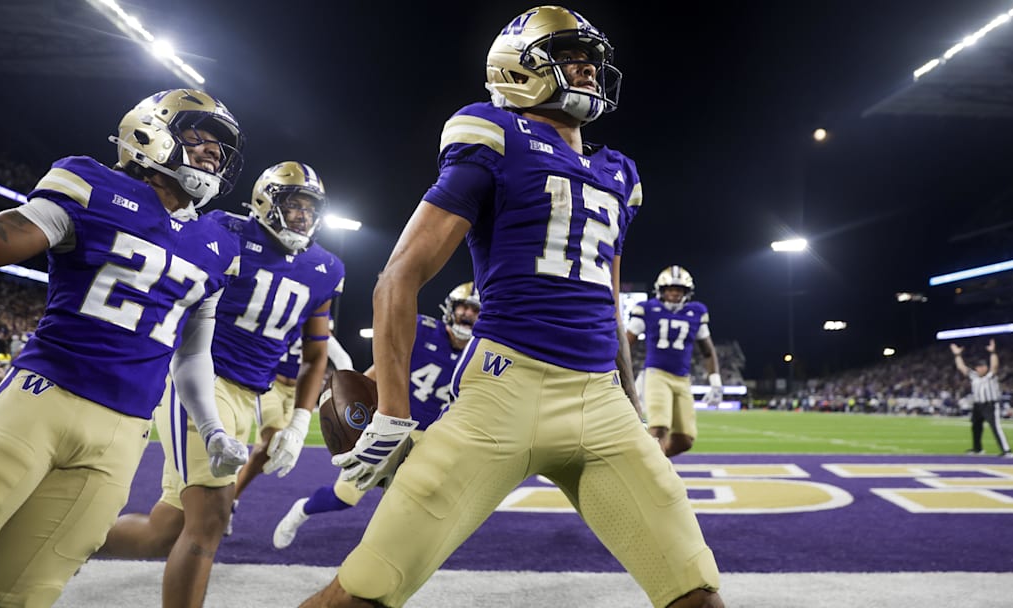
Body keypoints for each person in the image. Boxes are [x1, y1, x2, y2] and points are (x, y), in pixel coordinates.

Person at [300, 6, 723, 607]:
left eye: (593, 61)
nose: (590, 71)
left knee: (696, 593)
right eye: (573, 57)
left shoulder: (618, 173)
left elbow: (608, 301)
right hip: (503, 394)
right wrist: (394, 413)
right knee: (365, 593)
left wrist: (630, 403)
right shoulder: (492, 133)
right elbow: (398, 277)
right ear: (518, 68)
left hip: (602, 403)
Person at [0, 88, 249, 608]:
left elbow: (192, 353)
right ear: (150, 131)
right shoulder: (90, 183)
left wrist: (212, 427)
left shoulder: (219, 244)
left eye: (221, 146)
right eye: (202, 135)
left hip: (122, 435)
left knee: (23, 592)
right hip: (41, 399)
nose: (214, 151)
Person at [97, 161, 346, 607]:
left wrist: (297, 422)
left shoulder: (326, 268)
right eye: (295, 206)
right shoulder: (224, 232)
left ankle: (75, 538)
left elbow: (315, 354)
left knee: (165, 530)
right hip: (199, 378)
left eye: (311, 209)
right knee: (212, 515)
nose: (304, 217)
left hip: (250, 395)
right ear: (267, 201)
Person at [272, 282, 480, 549]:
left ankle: (386, 550)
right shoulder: (421, 330)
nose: (467, 314)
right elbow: (380, 369)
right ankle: (301, 511)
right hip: (391, 422)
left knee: (415, 501)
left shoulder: (481, 351)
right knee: (344, 496)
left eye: (474, 310)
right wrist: (355, 402)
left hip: (433, 435)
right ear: (450, 308)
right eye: (463, 306)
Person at [227, 329, 355, 536]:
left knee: (274, 450)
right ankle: (230, 501)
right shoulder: (286, 315)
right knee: (270, 442)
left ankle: (231, 495)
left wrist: (348, 388)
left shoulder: (314, 321)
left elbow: (341, 358)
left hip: (300, 390)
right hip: (271, 385)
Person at [626, 265, 722, 457]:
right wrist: (622, 373)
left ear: (687, 292)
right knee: (659, 429)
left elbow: (708, 350)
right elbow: (627, 343)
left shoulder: (696, 312)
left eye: (679, 290)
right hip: (656, 374)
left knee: (684, 440)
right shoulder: (648, 309)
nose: (674, 294)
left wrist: (716, 383)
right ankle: (654, 476)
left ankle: (645, 462)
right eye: (670, 289)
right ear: (661, 290)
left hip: (682, 378)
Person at [951, 338, 1013, 457]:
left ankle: (1007, 450)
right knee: (975, 427)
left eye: (983, 366)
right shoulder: (973, 376)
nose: (981, 368)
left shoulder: (990, 376)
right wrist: (957, 355)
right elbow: (961, 367)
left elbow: (995, 366)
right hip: (978, 405)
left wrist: (993, 352)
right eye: (979, 367)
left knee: (995, 427)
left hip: (990, 404)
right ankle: (977, 449)